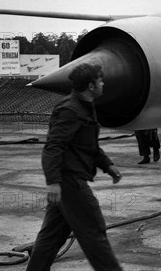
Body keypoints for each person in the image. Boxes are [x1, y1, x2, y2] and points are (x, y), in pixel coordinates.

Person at [26, 63, 123, 271]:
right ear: (90, 85)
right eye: (100, 80)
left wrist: (108, 165)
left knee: (51, 237)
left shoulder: (85, 107)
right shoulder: (70, 109)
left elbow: (88, 146)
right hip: (70, 182)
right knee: (94, 232)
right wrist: (52, 181)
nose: (103, 83)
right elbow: (53, 146)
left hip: (67, 182)